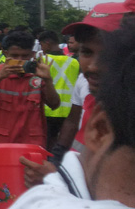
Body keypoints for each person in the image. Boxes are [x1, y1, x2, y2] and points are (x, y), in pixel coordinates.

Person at [10, 17, 135, 208]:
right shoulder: (83, 84)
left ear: (99, 129)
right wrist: (57, 161)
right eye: (86, 52)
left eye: (107, 55)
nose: (93, 66)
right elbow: (72, 120)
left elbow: (54, 104)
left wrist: (56, 179)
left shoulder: (42, 202)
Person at [0, 31, 60, 148]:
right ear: (6, 53)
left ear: (32, 54)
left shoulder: (38, 75)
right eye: (15, 56)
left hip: (30, 143)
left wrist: (48, 80)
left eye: (25, 56)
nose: (20, 60)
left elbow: (54, 104)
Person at [38, 30, 80, 149]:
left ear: (46, 43)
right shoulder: (74, 62)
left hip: (46, 109)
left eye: (41, 45)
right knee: (62, 145)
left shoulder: (42, 60)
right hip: (68, 112)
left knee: (46, 145)